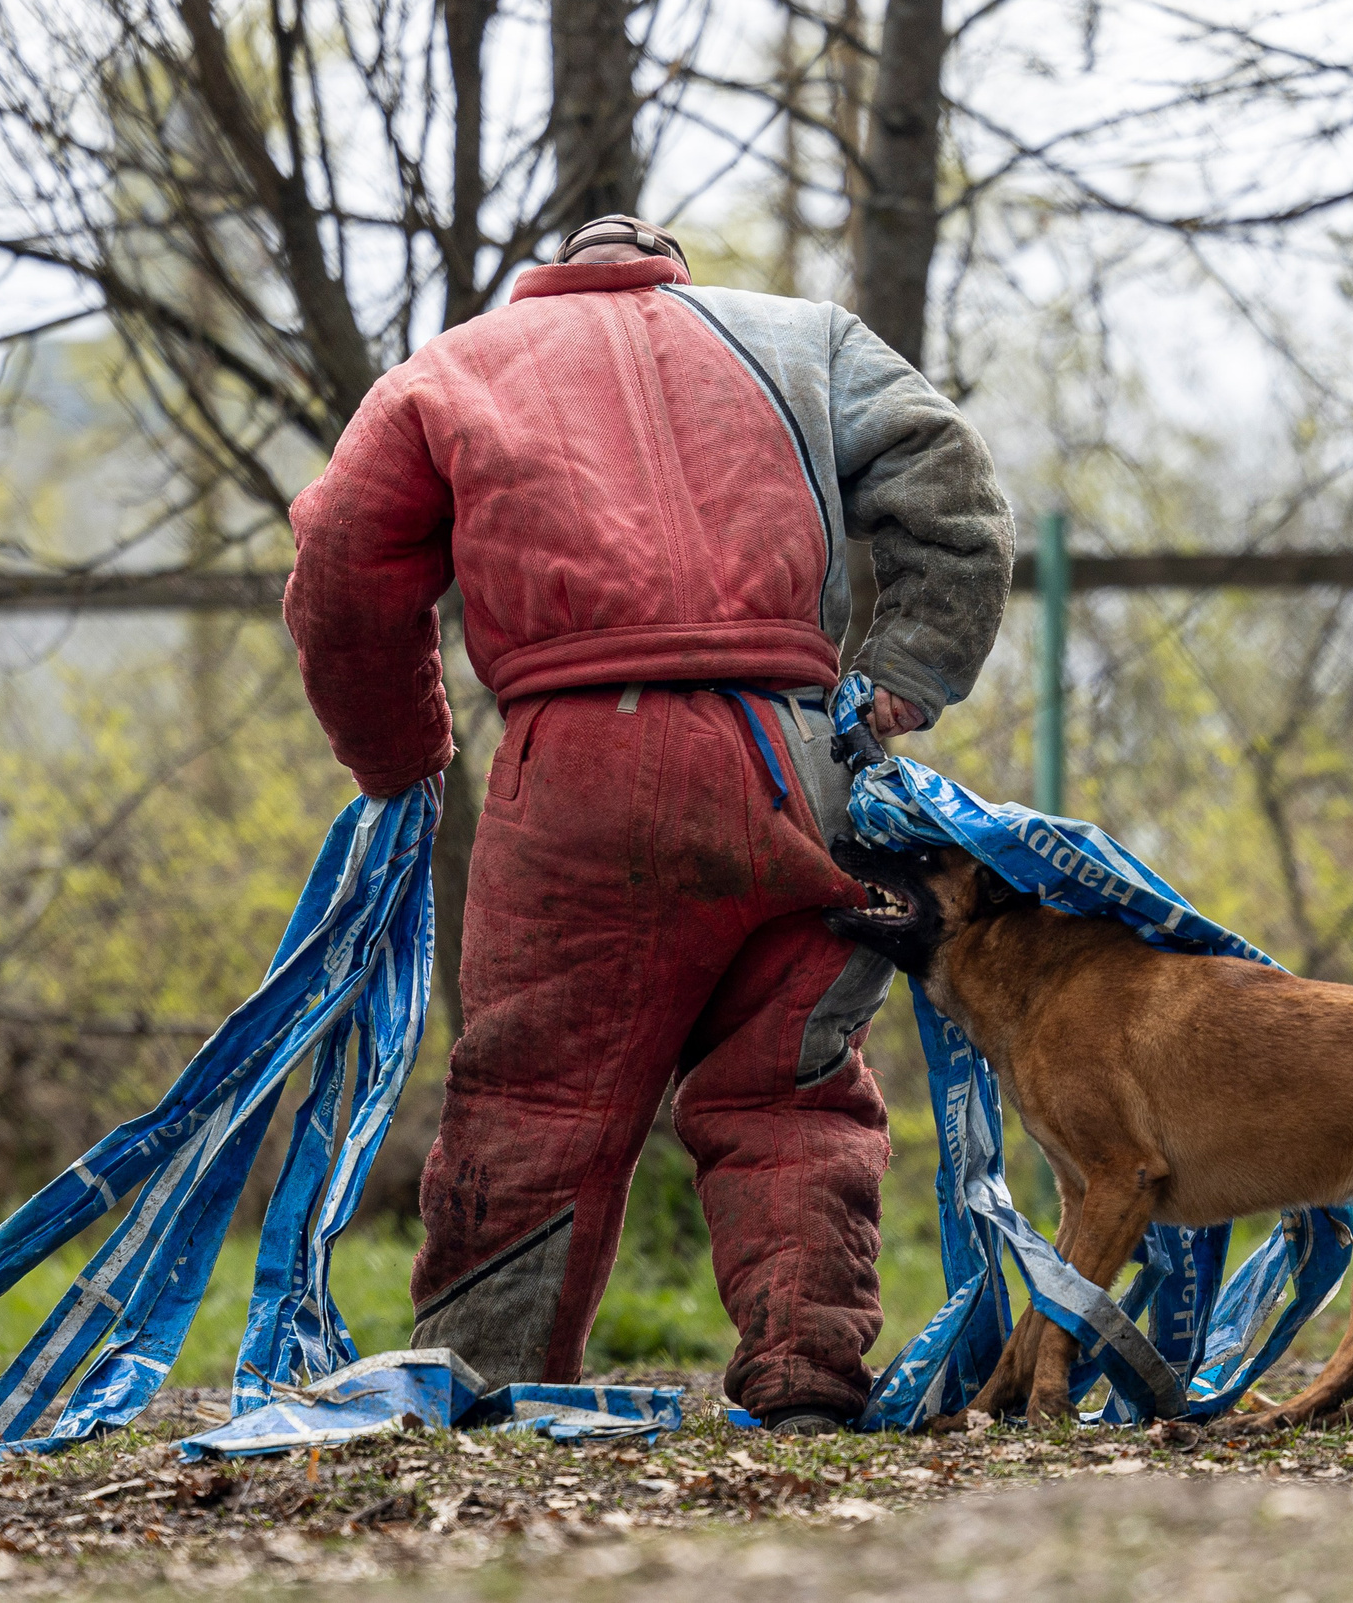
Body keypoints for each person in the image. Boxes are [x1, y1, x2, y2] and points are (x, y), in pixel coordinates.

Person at [281, 214, 1012, 1434]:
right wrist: (902, 673)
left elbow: (342, 565)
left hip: (579, 768)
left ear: (546, 278)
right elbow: (951, 485)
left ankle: (481, 1378)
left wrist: (399, 754)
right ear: (666, 263)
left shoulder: (453, 368)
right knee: (795, 1085)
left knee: (539, 1093)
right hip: (801, 757)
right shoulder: (804, 340)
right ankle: (806, 1377)